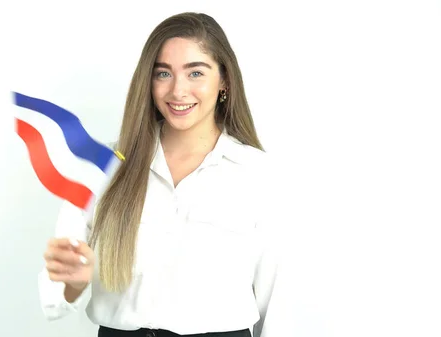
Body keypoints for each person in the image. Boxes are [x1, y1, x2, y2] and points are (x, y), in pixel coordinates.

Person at [39, 11, 283, 337]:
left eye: (195, 73)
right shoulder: (104, 167)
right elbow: (55, 296)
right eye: (163, 74)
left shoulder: (257, 174)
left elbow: (277, 300)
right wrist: (71, 282)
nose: (178, 91)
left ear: (224, 80)